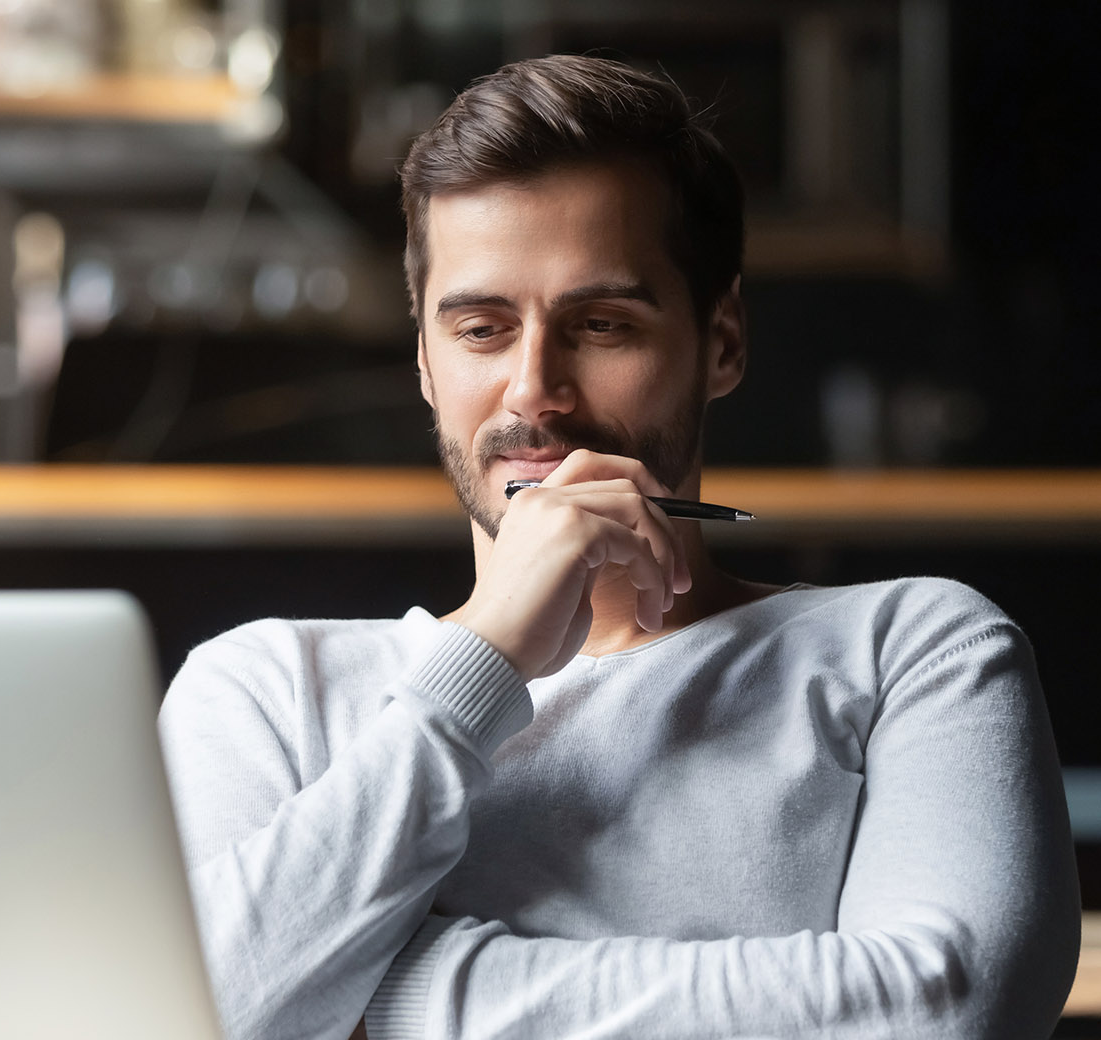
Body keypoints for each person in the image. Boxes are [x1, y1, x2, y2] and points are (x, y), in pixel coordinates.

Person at [158, 54, 1080, 1039]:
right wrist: (485, 659)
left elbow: (944, 1007)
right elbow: (182, 1015)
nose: (532, 391)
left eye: (600, 325)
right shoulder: (265, 687)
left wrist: (383, 995)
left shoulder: (915, 648)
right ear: (424, 360)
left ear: (721, 342)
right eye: (481, 328)